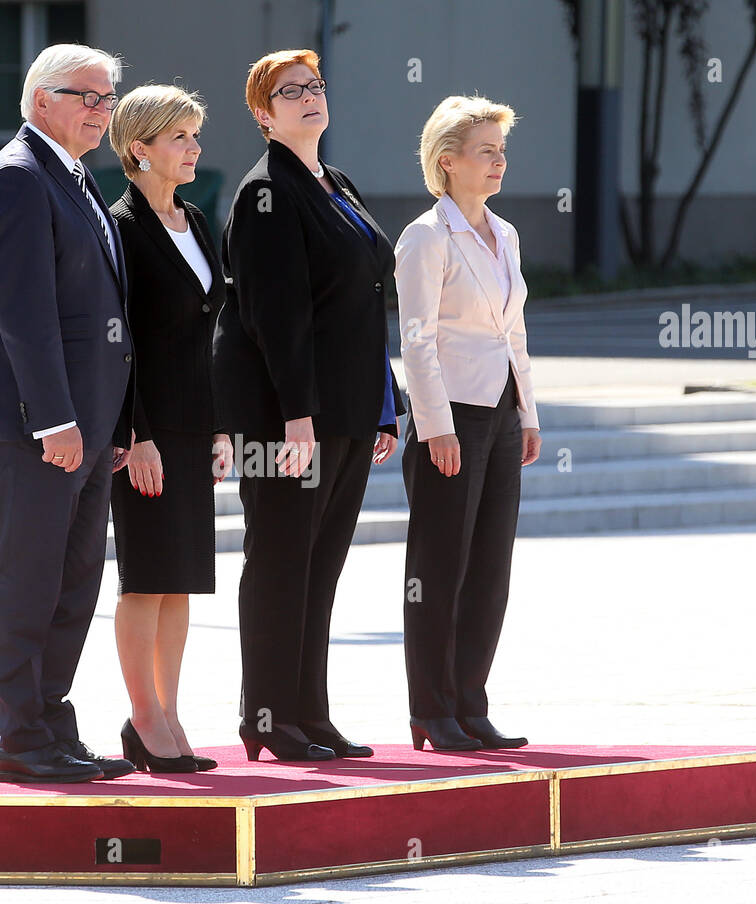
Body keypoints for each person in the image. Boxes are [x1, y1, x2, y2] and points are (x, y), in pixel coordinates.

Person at [213, 49, 404, 763]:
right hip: (292, 420)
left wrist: (383, 405)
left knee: (320, 567)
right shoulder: (265, 193)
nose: (308, 97)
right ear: (263, 115)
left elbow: (364, 301)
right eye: (290, 92)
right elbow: (274, 316)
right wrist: (298, 417)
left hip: (349, 411)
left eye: (316, 85)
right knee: (281, 562)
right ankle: (266, 715)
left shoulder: (335, 182)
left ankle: (308, 712)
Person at [0, 44, 138, 784]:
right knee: (28, 581)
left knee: (73, 583)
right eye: (87, 97)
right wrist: (55, 420)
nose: (102, 110)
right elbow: (24, 317)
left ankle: (52, 722)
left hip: (88, 425)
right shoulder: (15, 178)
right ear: (41, 101)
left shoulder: (73, 175)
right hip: (39, 424)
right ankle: (20, 737)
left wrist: (114, 425)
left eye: (108, 99)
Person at [394, 95, 541, 752]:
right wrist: (435, 426)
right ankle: (432, 707)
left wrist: (528, 412)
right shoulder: (425, 236)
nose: (498, 162)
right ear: (446, 162)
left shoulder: (505, 233)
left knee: (489, 566)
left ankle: (470, 702)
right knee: (440, 565)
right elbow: (416, 340)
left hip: (502, 411)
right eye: (486, 151)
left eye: (501, 151)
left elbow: (515, 331)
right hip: (450, 416)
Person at [106, 85, 232, 774]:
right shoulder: (121, 228)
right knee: (145, 578)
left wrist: (218, 426)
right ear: (139, 149)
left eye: (194, 134)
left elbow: (207, 334)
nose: (194, 148)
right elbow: (117, 340)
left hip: (193, 427)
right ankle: (143, 715)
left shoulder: (197, 220)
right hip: (147, 431)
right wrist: (137, 434)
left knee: (181, 579)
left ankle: (169, 710)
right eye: (180, 137)